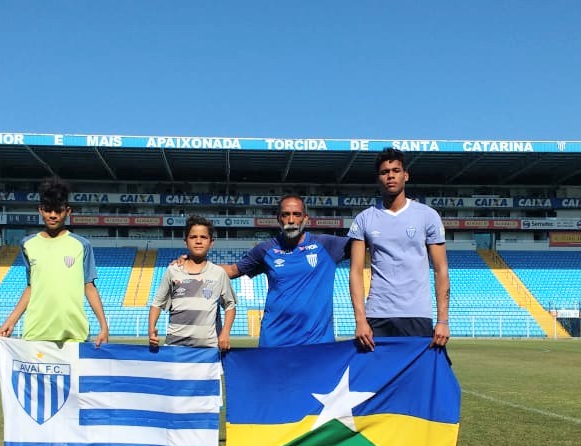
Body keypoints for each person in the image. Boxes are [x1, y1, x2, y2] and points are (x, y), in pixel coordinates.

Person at [173, 195, 351, 347]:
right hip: (275, 340)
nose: (291, 220)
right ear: (278, 219)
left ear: (306, 218)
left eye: (296, 215)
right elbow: (233, 270)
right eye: (285, 214)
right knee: (273, 388)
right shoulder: (266, 249)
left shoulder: (327, 245)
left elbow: (362, 243)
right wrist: (193, 263)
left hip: (317, 342)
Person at [348, 147, 449, 351]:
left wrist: (443, 321)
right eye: (385, 172)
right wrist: (360, 320)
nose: (390, 176)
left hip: (417, 314)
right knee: (375, 381)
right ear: (378, 178)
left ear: (406, 175)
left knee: (416, 380)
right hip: (377, 315)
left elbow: (441, 270)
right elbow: (356, 272)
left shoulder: (427, 216)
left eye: (395, 170)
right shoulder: (364, 219)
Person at [0, 178, 109, 347]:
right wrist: (11, 321)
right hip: (36, 333)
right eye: (48, 210)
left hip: (73, 333)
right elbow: (31, 287)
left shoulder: (82, 245)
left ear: (68, 211)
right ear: (40, 210)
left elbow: (89, 286)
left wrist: (104, 326)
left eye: (58, 210)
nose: (53, 215)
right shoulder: (28, 244)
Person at [149, 215, 236, 350]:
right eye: (193, 237)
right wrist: (151, 329)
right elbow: (156, 303)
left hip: (208, 348)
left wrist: (225, 333)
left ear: (211, 242)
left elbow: (230, 305)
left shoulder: (219, 273)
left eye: (203, 237)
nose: (198, 241)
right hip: (175, 346)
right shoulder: (173, 270)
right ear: (186, 241)